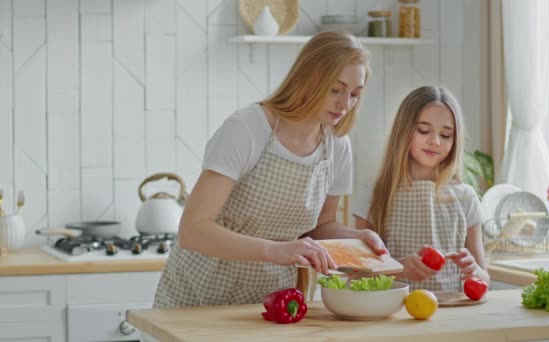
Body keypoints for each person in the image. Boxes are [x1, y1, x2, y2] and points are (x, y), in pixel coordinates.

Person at [154, 31, 387, 308]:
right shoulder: (248, 128)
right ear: (308, 79)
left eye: (354, 94)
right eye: (335, 89)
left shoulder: (337, 146)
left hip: (270, 301)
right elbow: (192, 231)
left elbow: (321, 227)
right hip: (199, 293)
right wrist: (275, 250)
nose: (345, 104)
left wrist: (356, 238)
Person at [353, 86, 490, 292]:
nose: (434, 141)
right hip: (391, 314)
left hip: (449, 315)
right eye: (424, 130)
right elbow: (357, 272)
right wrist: (399, 269)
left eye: (445, 135)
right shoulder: (375, 195)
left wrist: (474, 271)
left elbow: (484, 279)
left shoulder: (465, 197)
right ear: (404, 130)